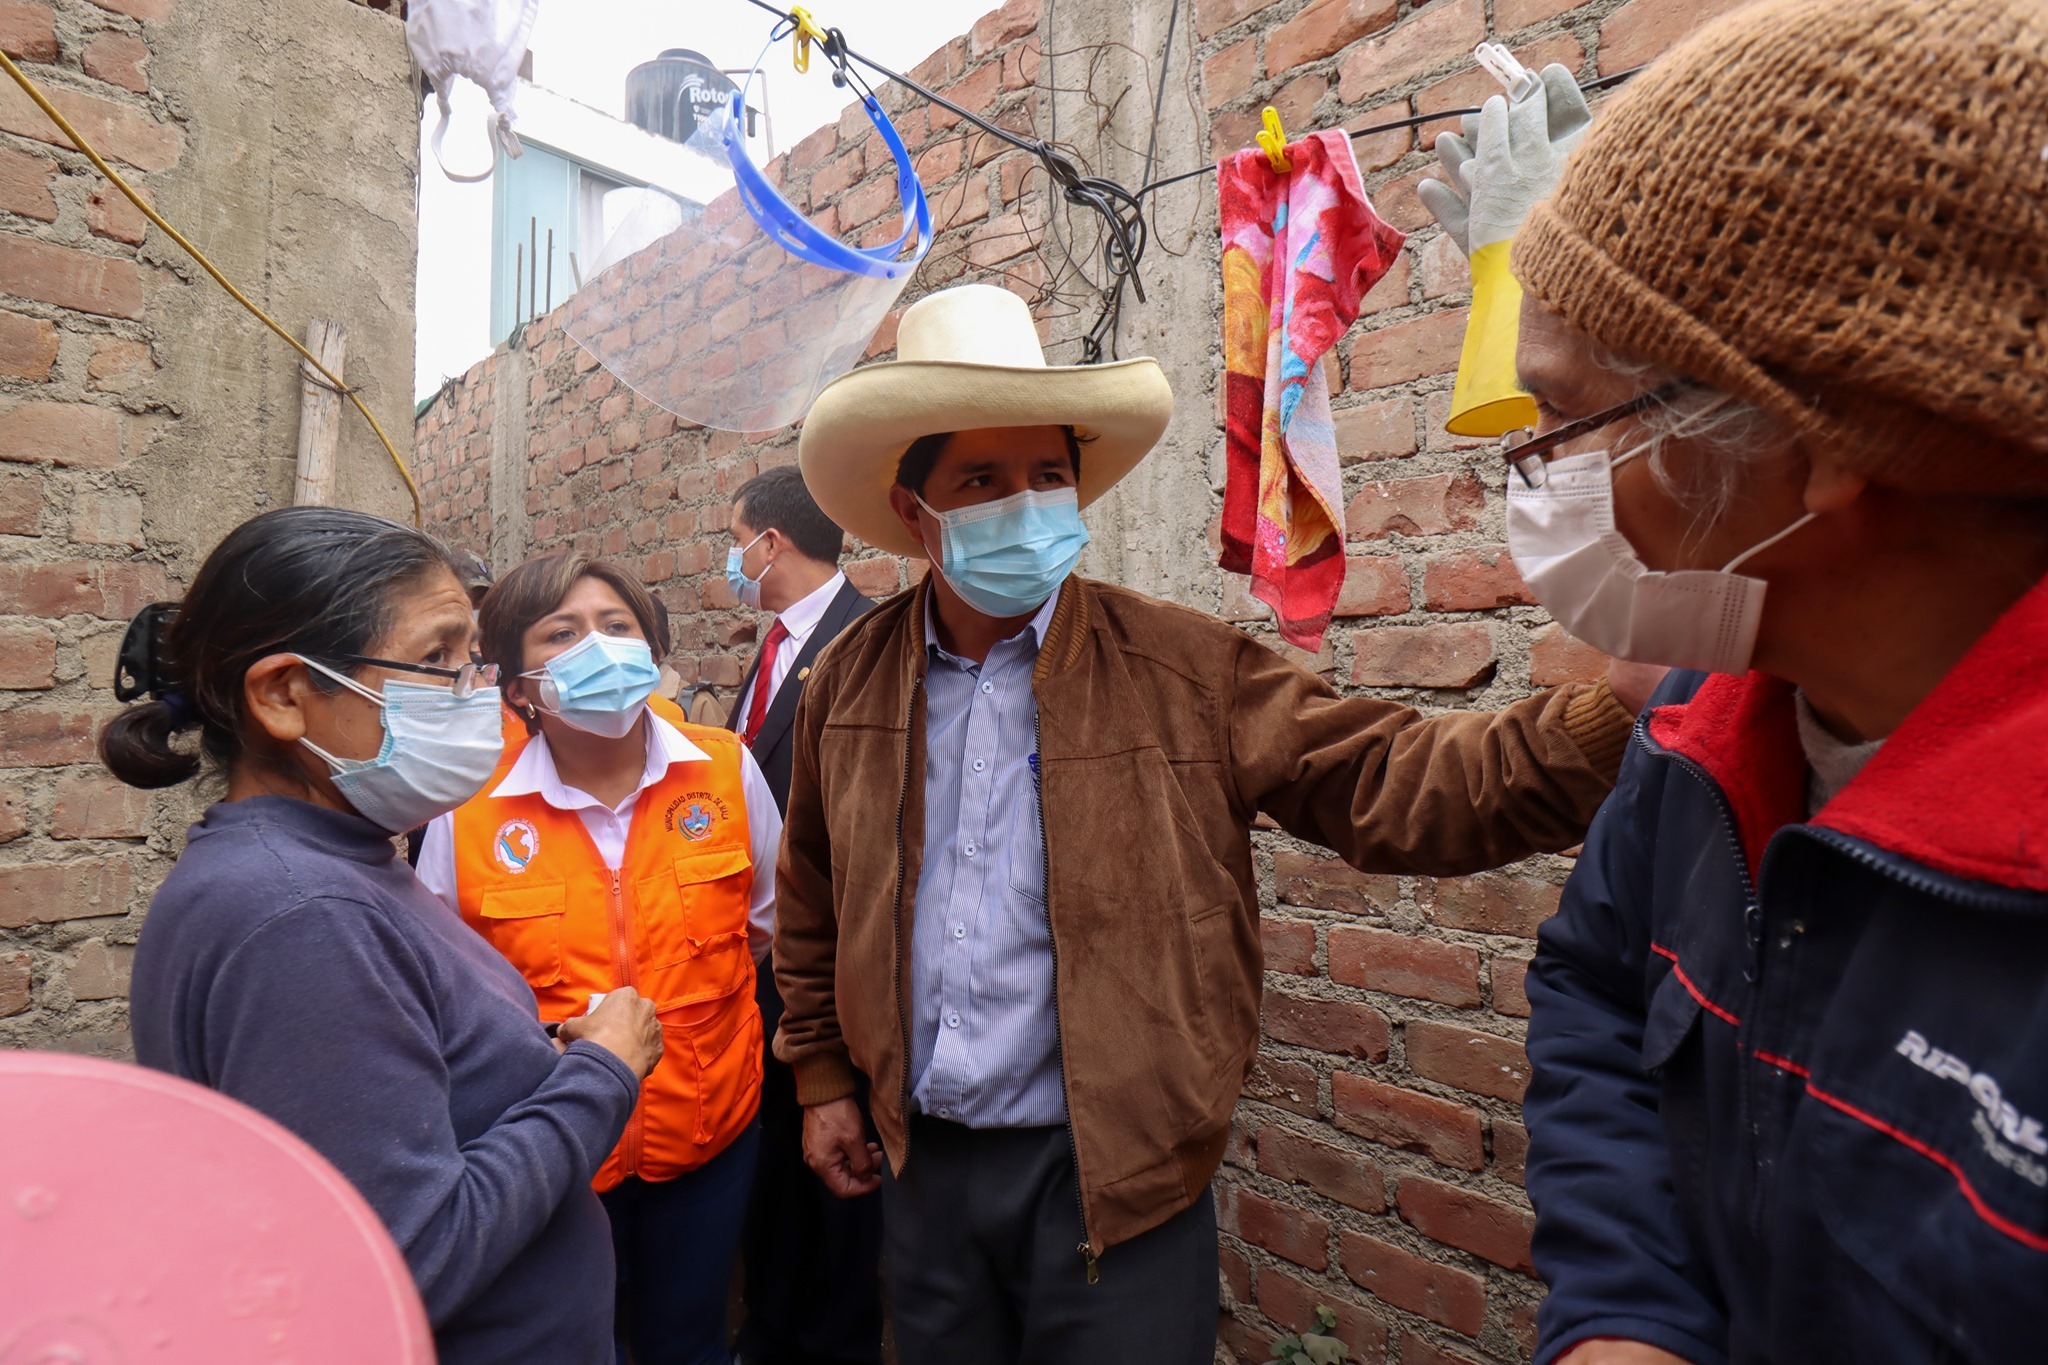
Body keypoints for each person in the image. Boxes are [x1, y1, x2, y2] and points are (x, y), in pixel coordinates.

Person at [771, 282, 1655, 1364]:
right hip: (922, 1162)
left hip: (1116, 1177)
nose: (1026, 504)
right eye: (982, 482)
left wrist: (1611, 712)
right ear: (916, 515)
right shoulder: (847, 680)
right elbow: (812, 893)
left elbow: (1398, 780)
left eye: (1047, 476)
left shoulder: (1182, 668)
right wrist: (822, 1079)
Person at [1431, 2, 2048, 1361]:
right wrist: (1627, 1312)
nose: (1539, 485)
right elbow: (1595, 985)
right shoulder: (1700, 741)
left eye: (1568, 422)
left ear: (1816, 450)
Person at [111, 507, 662, 1365]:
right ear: (285, 695)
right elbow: (411, 1254)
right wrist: (602, 1073)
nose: (477, 687)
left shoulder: (342, 855)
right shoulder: (301, 916)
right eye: (438, 658)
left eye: (473, 655)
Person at [416, 552, 782, 1365]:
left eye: (617, 627)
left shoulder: (725, 769)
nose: (599, 646)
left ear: (651, 655)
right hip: (552, 1155)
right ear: (517, 686)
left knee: (688, 1340)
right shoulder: (467, 812)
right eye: (563, 632)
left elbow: (763, 928)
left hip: (710, 1134)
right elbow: (447, 987)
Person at [721, 464, 882, 1365]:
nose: (732, 557)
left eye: (734, 537)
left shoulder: (862, 638)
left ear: (768, 542)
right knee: (783, 1164)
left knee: (842, 1174)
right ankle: (776, 1330)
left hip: (836, 961)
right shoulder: (773, 647)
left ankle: (837, 1340)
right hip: (771, 966)